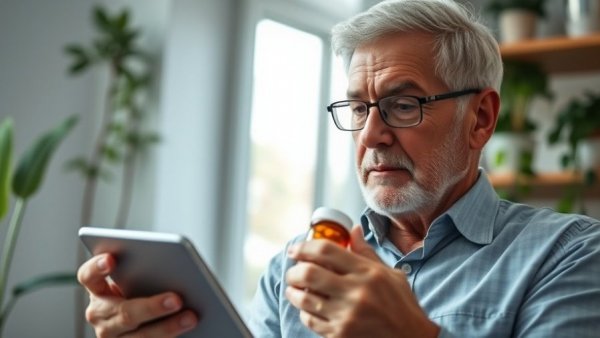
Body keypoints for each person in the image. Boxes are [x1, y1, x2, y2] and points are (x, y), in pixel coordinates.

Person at [77, 0, 600, 337]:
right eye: (357, 108)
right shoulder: (293, 268)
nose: (371, 135)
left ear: (480, 119)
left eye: (403, 104)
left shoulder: (570, 255)